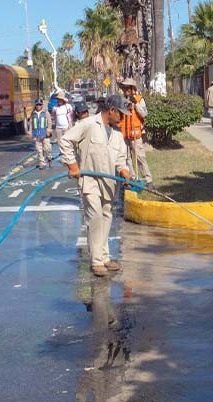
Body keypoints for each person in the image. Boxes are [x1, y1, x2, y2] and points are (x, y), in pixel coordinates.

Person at [59, 94, 132, 277]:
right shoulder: (89, 124)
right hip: (89, 181)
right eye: (120, 114)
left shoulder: (116, 134)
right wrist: (73, 166)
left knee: (106, 217)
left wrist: (124, 172)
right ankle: (97, 261)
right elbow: (65, 141)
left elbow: (121, 159)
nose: (122, 118)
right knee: (96, 217)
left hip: (109, 183)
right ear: (111, 110)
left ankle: (105, 257)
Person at [118, 78, 153, 187]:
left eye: (128, 87)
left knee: (140, 157)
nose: (125, 89)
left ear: (133, 89)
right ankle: (132, 179)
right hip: (124, 134)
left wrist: (136, 104)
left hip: (135, 134)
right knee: (126, 158)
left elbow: (144, 114)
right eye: (124, 87)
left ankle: (148, 180)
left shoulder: (139, 99)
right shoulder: (121, 100)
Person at [29, 98, 53, 169]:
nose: (38, 106)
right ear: (35, 105)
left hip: (45, 134)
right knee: (39, 150)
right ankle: (42, 163)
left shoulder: (46, 113)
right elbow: (30, 123)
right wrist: (30, 132)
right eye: (37, 105)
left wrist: (49, 131)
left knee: (47, 149)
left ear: (42, 105)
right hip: (37, 134)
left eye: (40, 105)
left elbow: (49, 122)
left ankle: (49, 159)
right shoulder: (33, 114)